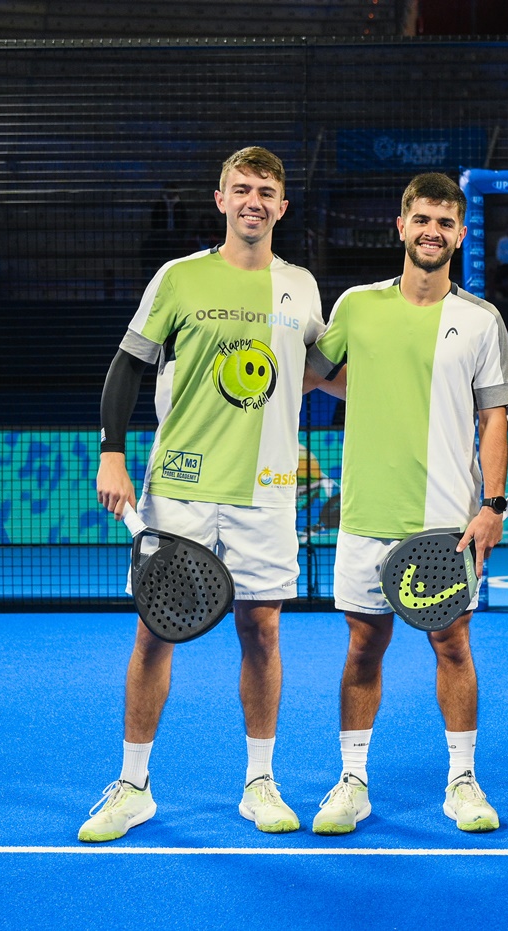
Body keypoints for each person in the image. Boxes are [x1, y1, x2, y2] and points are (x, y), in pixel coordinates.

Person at [80, 146, 327, 842]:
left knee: (263, 628)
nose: (253, 200)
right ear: (220, 199)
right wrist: (111, 453)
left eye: (266, 191)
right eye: (241, 188)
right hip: (181, 486)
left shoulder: (303, 288)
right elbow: (127, 366)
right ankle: (133, 786)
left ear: (282, 206)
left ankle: (259, 782)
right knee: (157, 631)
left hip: (268, 488)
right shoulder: (178, 278)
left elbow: (322, 371)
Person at [306, 173, 508, 835]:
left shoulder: (481, 320)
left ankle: (462, 781)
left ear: (460, 234)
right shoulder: (356, 306)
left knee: (452, 645)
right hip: (366, 516)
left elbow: (494, 420)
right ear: (401, 226)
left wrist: (492, 506)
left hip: (447, 523)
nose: (432, 232)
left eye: (445, 223)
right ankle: (352, 781)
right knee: (363, 647)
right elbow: (316, 371)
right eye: (422, 219)